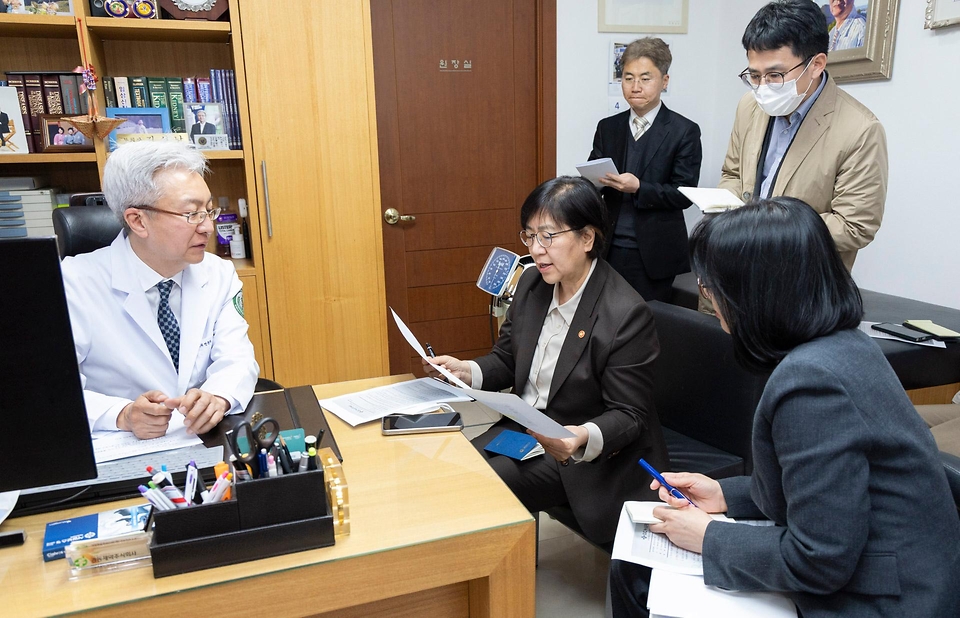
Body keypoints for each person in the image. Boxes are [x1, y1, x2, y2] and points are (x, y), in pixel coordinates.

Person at [610, 198, 960, 617]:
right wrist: (725, 493)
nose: (708, 297)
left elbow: (820, 560)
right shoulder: (847, 344)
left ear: (753, 292)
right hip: (902, 565)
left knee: (639, 576)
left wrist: (709, 538)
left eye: (709, 284)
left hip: (887, 599)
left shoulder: (811, 383)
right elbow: (821, 495)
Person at [424, 176, 670, 546]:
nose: (537, 250)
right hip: (525, 431)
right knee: (455, 472)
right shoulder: (532, 286)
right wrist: (466, 371)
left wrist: (580, 436)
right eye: (529, 236)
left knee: (481, 488)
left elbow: (630, 415)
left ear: (587, 239)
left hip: (579, 455)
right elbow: (507, 359)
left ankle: (498, 590)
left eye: (549, 237)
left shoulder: (624, 313)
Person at [60, 141, 259, 440]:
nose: (207, 227)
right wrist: (121, 415)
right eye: (191, 214)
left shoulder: (218, 273)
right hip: (117, 448)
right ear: (137, 220)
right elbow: (50, 391)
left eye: (208, 210)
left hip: (202, 441)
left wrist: (218, 397)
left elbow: (238, 358)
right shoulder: (72, 283)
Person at [719, 0, 887, 271]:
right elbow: (732, 174)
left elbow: (855, 226)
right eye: (754, 75)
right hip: (739, 264)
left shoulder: (860, 130)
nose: (763, 87)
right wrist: (725, 206)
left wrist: (768, 227)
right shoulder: (749, 106)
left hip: (801, 281)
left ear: (816, 64)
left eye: (775, 75)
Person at [588, 37, 702, 302]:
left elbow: (684, 195)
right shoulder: (608, 127)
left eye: (645, 78)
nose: (635, 87)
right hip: (609, 247)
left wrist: (639, 187)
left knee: (650, 328)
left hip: (655, 253)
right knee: (605, 321)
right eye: (628, 78)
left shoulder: (684, 131)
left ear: (664, 81)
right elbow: (593, 176)